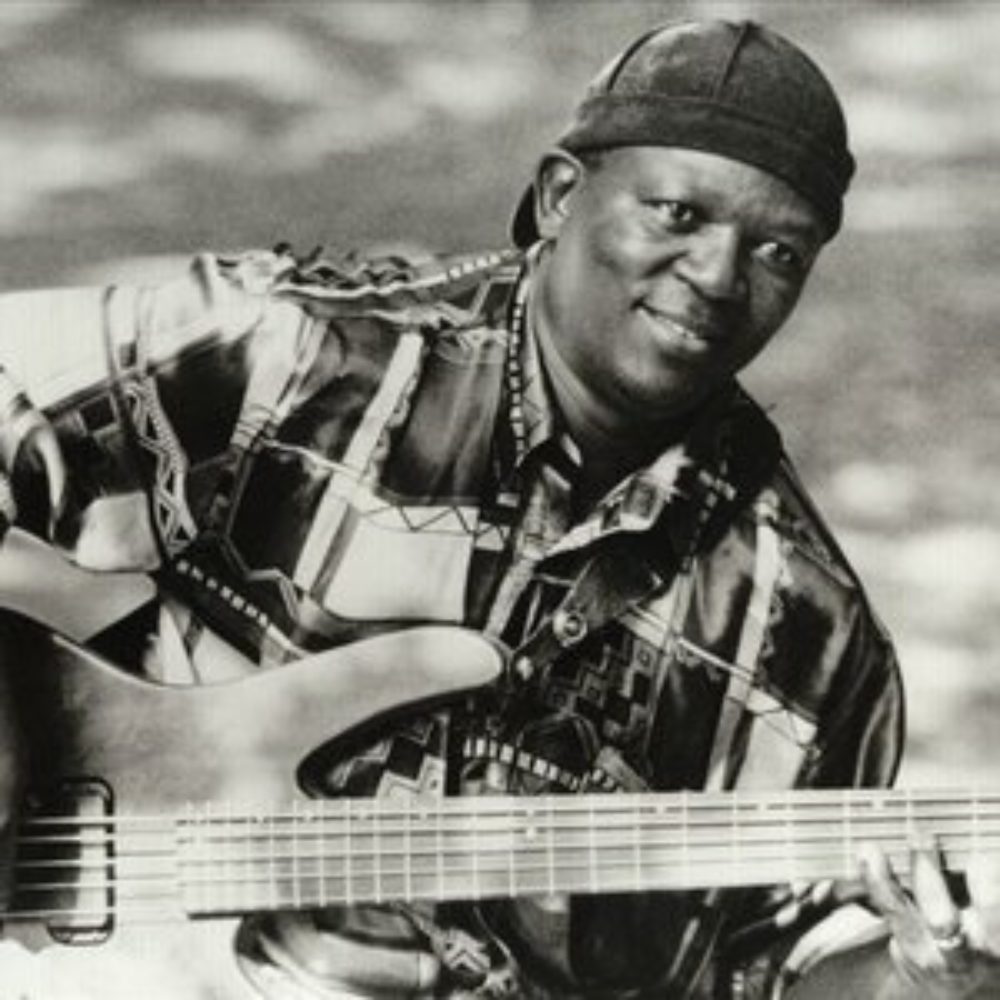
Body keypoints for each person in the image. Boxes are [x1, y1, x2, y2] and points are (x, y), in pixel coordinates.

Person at [0, 17, 997, 1000]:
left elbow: (773, 970)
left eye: (778, 252)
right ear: (561, 195)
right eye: (677, 214)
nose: (718, 277)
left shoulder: (810, 635)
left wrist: (924, 977)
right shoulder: (299, 361)